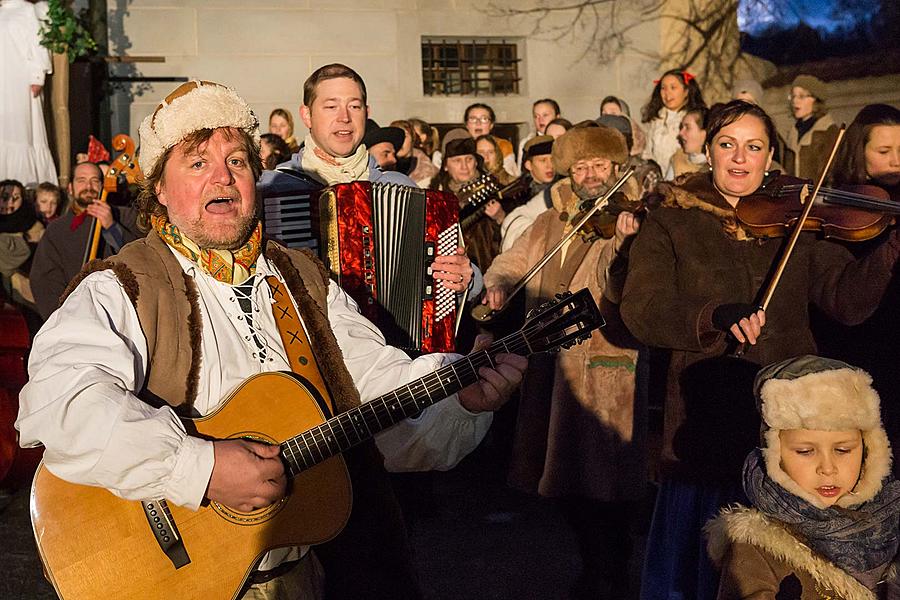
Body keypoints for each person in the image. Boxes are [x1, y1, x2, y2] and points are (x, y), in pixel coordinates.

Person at [16, 79, 527, 600]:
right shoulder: (120, 285)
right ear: (160, 189)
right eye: (197, 163)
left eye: (237, 161)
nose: (223, 177)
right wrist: (200, 467)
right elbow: (63, 401)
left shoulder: (302, 279)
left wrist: (456, 396)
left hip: (304, 576)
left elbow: (374, 383)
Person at [619, 100, 900, 600]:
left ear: (771, 156)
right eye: (727, 145)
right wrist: (714, 316)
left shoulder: (798, 215)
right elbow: (643, 307)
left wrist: (889, 251)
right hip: (707, 416)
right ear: (708, 151)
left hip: (791, 424)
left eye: (754, 147)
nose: (740, 158)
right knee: (703, 567)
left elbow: (846, 300)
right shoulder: (672, 220)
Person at [482, 125, 645, 599]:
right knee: (565, 483)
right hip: (552, 367)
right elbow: (513, 261)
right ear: (568, 174)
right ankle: (595, 563)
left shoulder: (633, 216)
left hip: (608, 366)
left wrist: (623, 241)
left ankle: (609, 570)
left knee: (605, 483)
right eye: (581, 167)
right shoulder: (552, 221)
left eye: (600, 165)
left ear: (617, 168)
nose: (592, 175)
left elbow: (614, 279)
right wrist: (497, 283)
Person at [258, 64, 477, 296]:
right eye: (331, 106)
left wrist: (464, 278)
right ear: (307, 115)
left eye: (354, 106)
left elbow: (464, 276)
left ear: (367, 112)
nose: (345, 118)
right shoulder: (273, 189)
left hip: (391, 331)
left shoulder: (399, 188)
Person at [706, 355, 900, 599]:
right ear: (775, 454)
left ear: (869, 449)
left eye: (843, 450)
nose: (827, 468)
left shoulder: (891, 522)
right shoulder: (757, 545)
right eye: (805, 451)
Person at [29, 161, 140, 320]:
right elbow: (44, 280)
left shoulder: (126, 217)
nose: (89, 186)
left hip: (119, 314)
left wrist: (112, 227)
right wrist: (63, 316)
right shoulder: (56, 229)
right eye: (81, 180)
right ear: (70, 188)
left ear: (103, 185)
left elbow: (140, 257)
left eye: (95, 180)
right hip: (72, 317)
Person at [0, 0, 58, 187]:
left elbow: (39, 43)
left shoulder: (27, 9)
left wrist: (37, 75)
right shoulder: (3, 11)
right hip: (3, 79)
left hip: (19, 80)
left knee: (21, 130)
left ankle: (25, 183)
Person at [641, 69, 706, 176]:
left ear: (686, 91)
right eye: (663, 88)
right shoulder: (656, 119)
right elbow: (647, 153)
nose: (667, 93)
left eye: (673, 87)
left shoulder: (694, 119)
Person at [499, 135, 557, 253]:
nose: (549, 166)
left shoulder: (562, 188)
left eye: (552, 160)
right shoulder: (515, 195)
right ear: (528, 165)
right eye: (542, 160)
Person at [783, 74, 840, 181]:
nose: (795, 101)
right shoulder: (793, 131)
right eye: (793, 96)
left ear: (816, 99)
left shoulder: (829, 131)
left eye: (801, 96)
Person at [0, 179, 43, 311]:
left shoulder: (34, 226)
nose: (10, 202)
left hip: (26, 299)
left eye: (16, 197)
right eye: (4, 197)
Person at [464, 103, 519, 177]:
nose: (478, 123)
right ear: (467, 124)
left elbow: (509, 177)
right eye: (473, 119)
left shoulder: (503, 145)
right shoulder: (460, 147)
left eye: (484, 119)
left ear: (491, 125)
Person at [389, 119, 438, 188]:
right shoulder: (384, 164)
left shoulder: (428, 172)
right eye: (394, 136)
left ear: (413, 139)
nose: (399, 140)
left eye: (404, 136)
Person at [665, 107, 709, 180]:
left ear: (704, 134)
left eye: (687, 127)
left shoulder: (715, 165)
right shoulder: (678, 159)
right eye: (682, 127)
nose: (681, 133)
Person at [516, 98, 560, 166]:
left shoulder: (566, 138)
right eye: (536, 116)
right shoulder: (526, 143)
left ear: (557, 117)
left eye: (545, 115)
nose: (540, 120)